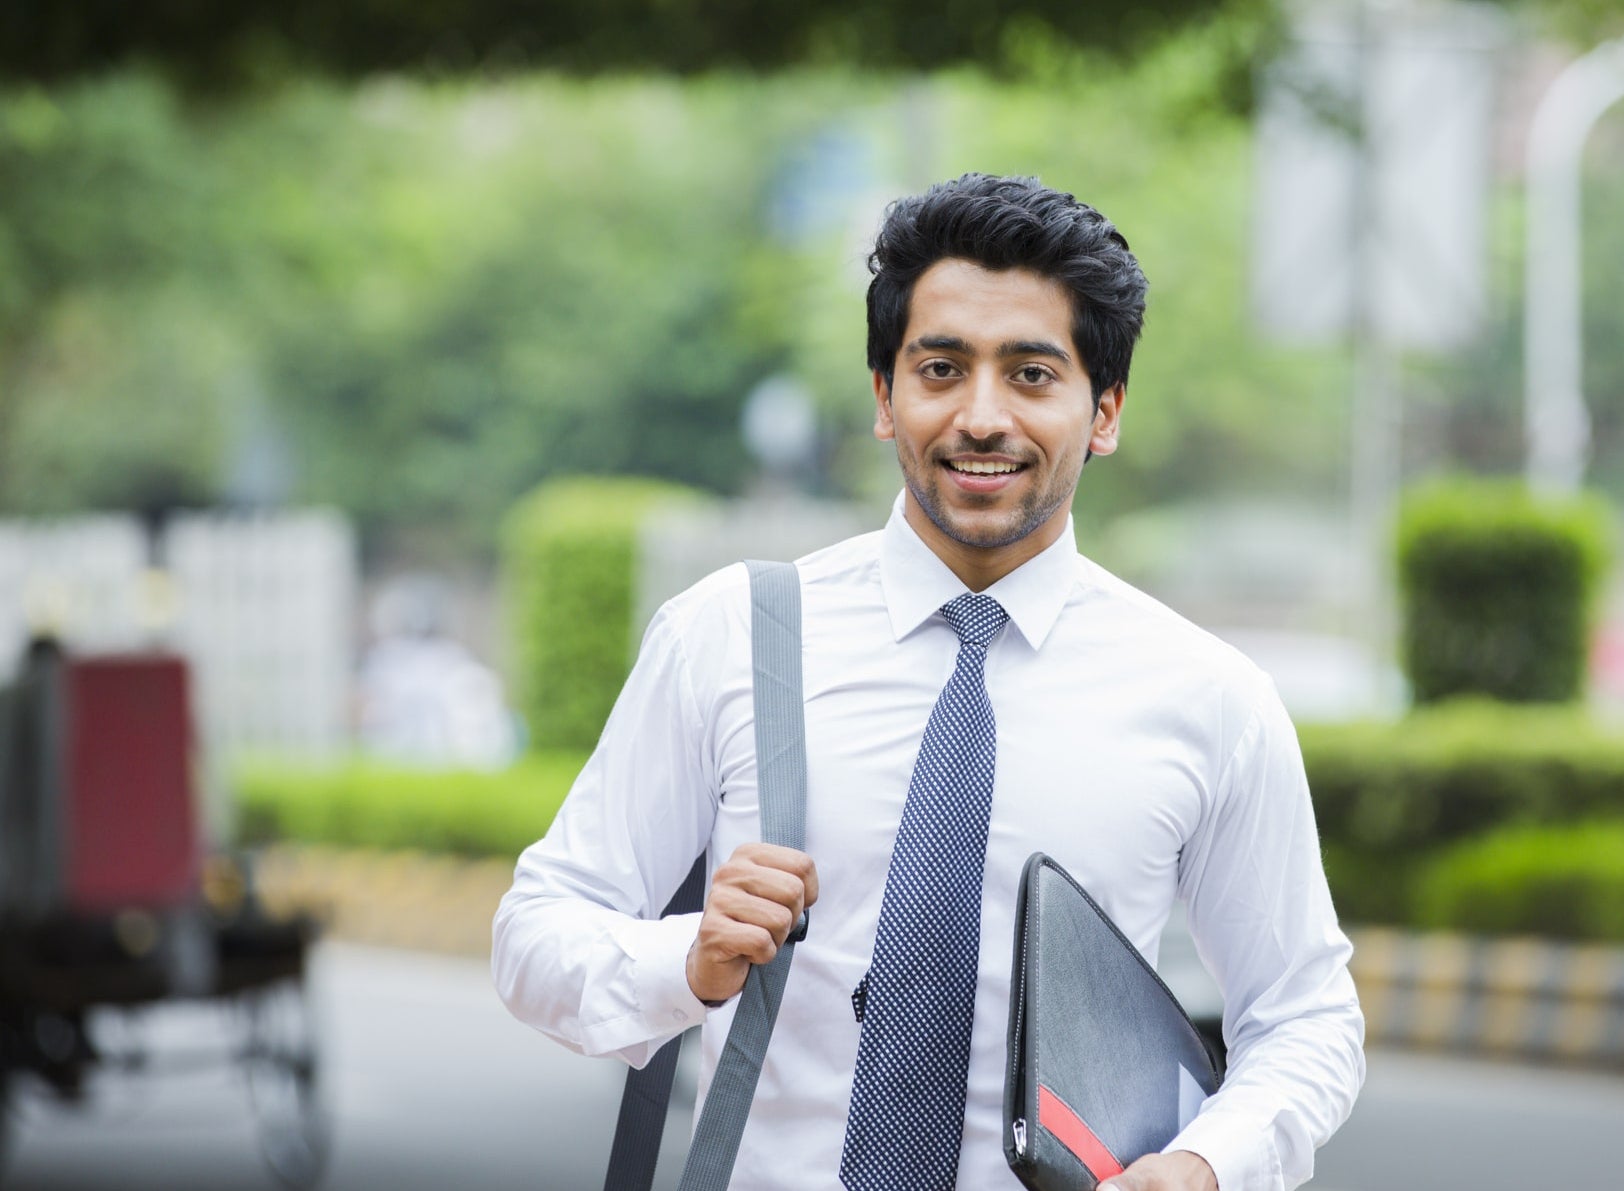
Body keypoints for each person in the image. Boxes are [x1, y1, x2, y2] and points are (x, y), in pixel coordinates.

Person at [493, 173, 1365, 1191]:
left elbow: (1305, 1017)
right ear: (884, 396)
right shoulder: (727, 637)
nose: (981, 416)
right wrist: (684, 960)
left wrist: (1209, 1164)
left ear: (1107, 410)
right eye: (942, 368)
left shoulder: (1210, 698)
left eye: (1033, 375)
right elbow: (535, 934)